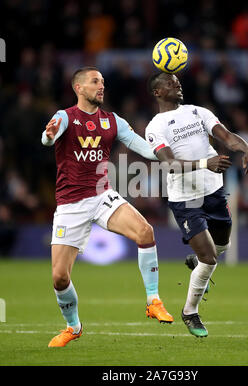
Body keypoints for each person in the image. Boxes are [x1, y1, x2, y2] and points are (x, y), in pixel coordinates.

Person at [42, 67, 173, 348]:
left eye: (102, 82)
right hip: (70, 205)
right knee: (59, 277)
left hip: (103, 196)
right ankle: (73, 326)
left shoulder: (114, 122)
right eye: (94, 81)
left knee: (145, 232)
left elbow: (146, 150)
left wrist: (170, 144)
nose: (101, 86)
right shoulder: (65, 117)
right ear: (78, 88)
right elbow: (48, 137)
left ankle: (153, 300)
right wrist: (49, 135)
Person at [146, 72, 248, 338]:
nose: (178, 84)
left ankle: (198, 265)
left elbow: (228, 136)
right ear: (158, 92)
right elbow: (170, 165)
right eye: (170, 82)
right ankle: (190, 312)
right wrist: (204, 163)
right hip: (186, 199)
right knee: (210, 258)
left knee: (223, 245)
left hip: (213, 191)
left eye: (178, 81)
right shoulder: (155, 126)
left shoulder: (199, 112)